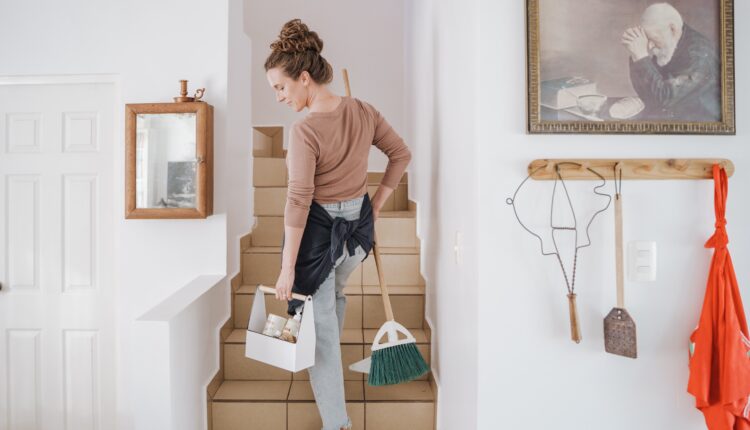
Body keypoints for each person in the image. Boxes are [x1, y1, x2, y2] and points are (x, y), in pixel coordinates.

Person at [264, 19, 411, 430]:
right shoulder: (363, 110)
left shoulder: (306, 130)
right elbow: (401, 154)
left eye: (280, 87)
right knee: (332, 301)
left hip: (319, 238)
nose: (278, 97)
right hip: (358, 234)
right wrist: (376, 203)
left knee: (321, 330)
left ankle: (338, 424)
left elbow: (298, 200)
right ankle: (329, 351)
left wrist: (287, 267)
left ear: (305, 78)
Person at [621, 2, 721, 121]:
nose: (650, 46)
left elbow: (664, 98)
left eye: (653, 39)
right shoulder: (668, 44)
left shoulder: (699, 55)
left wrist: (641, 56)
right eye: (647, 39)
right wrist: (636, 55)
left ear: (672, 29)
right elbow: (648, 95)